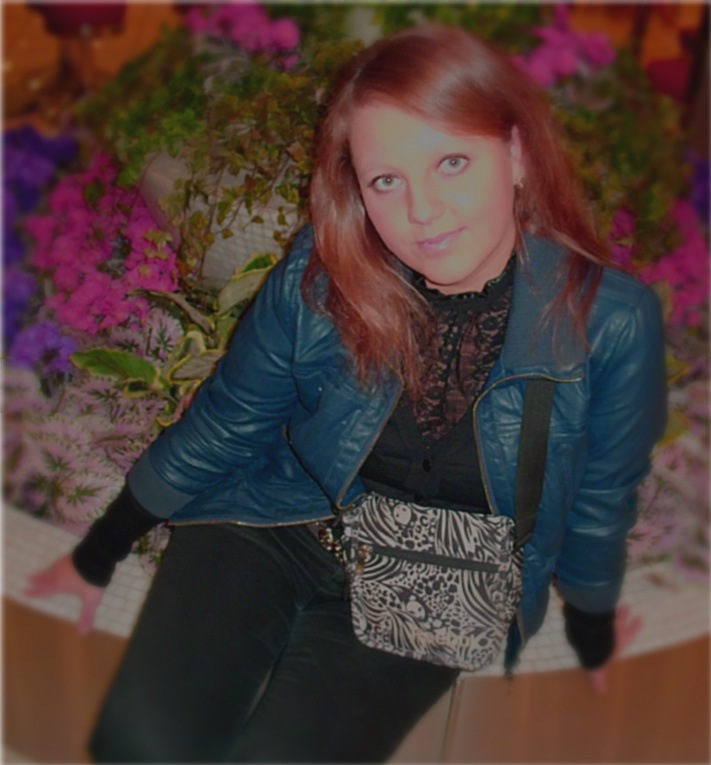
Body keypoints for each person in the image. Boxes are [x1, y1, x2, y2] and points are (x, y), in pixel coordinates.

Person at [26, 23, 667, 763]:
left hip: (444, 568)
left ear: (517, 154)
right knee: (140, 745)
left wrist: (591, 618)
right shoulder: (323, 273)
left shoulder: (609, 321)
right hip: (278, 514)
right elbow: (230, 421)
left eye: (451, 162)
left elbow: (600, 497)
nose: (421, 211)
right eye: (385, 180)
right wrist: (98, 553)